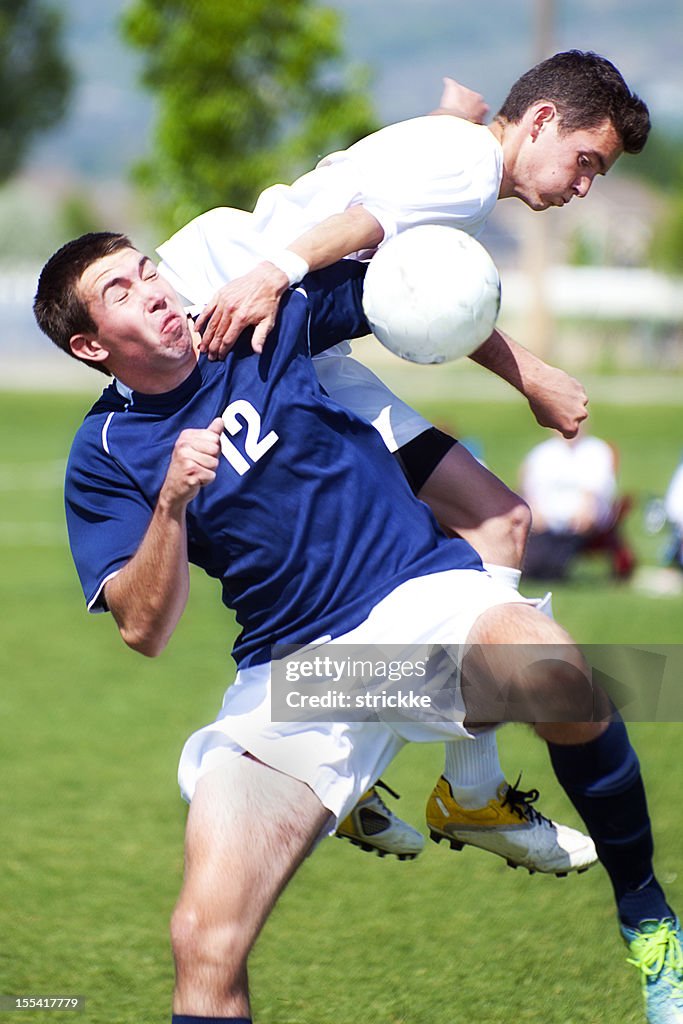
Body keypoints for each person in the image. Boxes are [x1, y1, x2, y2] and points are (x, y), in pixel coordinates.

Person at [34, 231, 682, 1024]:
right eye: (122, 292)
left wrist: (532, 375)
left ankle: (646, 919)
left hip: (420, 599)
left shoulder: (253, 323)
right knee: (204, 942)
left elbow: (412, 288)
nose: (156, 291)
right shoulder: (104, 452)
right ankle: (451, 789)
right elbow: (143, 628)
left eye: (148, 272)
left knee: (556, 669)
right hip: (301, 678)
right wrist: (169, 504)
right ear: (90, 344)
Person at [153, 50, 651, 862]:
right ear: (540, 123)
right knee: (337, 569)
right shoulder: (464, 166)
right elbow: (369, 228)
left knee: (499, 522)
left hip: (308, 352)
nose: (582, 186)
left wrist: (450, 115)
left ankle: (470, 790)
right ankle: (285, 752)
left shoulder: (458, 153)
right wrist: (269, 276)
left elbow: (398, 249)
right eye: (583, 161)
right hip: (238, 333)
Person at [520, 428, 620, 579]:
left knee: (554, 563)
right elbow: (529, 488)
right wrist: (534, 512)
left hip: (578, 523)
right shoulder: (543, 453)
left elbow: (595, 491)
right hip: (546, 521)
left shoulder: (596, 451)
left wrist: (586, 511)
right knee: (533, 564)